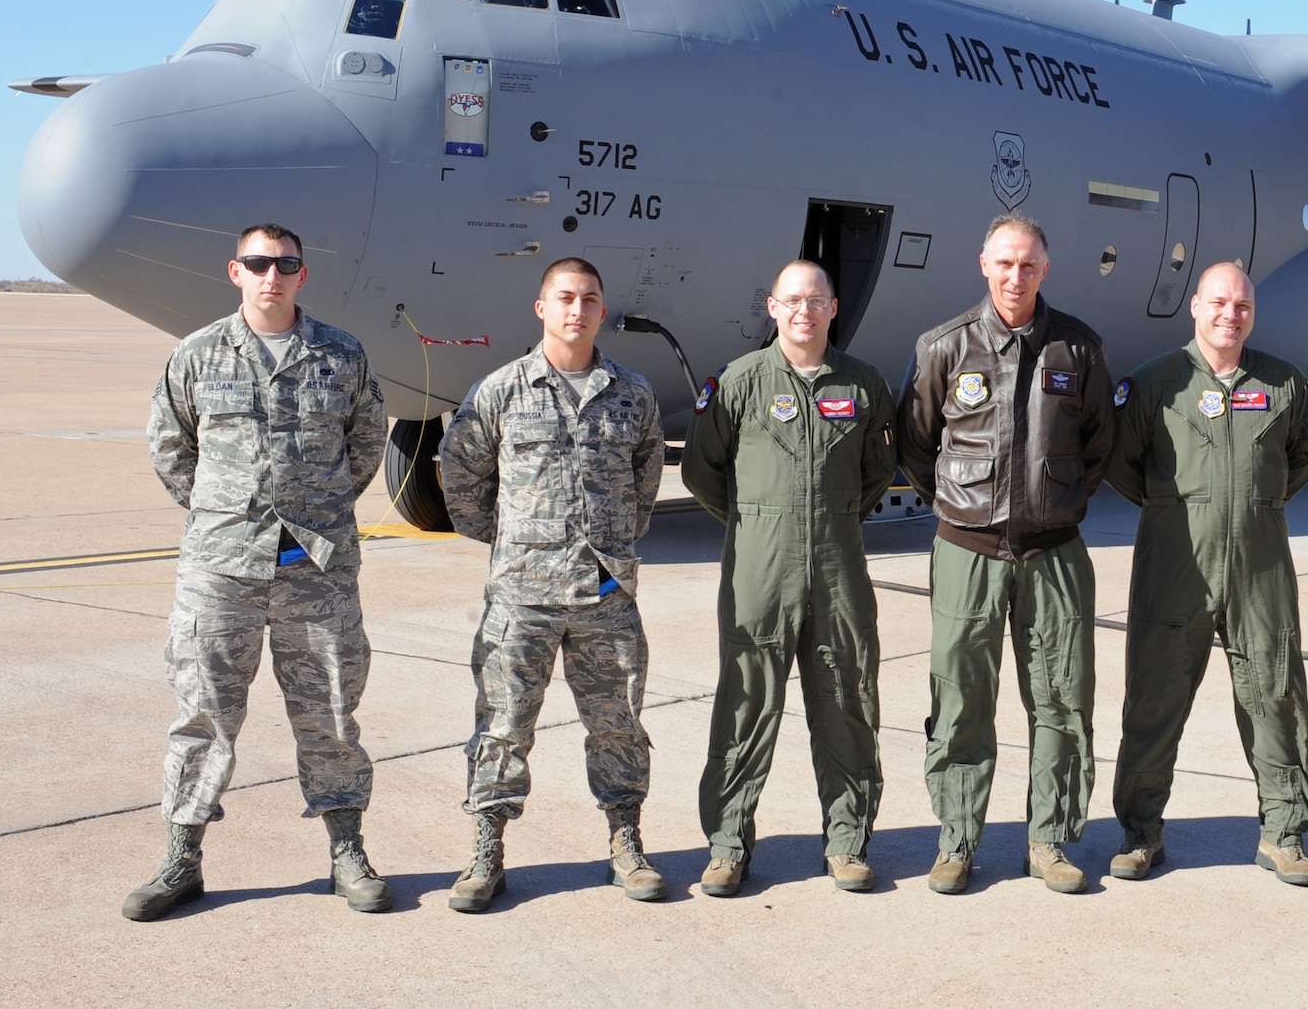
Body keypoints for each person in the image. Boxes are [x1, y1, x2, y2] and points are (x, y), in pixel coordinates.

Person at [129, 223, 391, 921]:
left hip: (318, 567)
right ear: (234, 271)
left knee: (332, 714)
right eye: (257, 263)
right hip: (220, 569)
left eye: (285, 263)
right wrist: (225, 513)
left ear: (303, 273)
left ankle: (347, 851)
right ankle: (181, 858)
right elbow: (170, 444)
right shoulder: (198, 352)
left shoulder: (342, 354)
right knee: (203, 715)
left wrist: (314, 509)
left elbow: (364, 446)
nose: (271, 274)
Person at [438, 257, 667, 910]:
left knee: (619, 724)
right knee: (503, 727)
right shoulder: (502, 390)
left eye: (589, 298)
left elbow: (645, 476)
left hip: (604, 594)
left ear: (601, 309)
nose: (576, 308)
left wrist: (614, 541)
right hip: (522, 596)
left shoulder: (633, 393)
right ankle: (487, 852)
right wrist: (513, 543)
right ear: (541, 307)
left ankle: (626, 842)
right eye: (564, 297)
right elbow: (461, 473)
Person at [898, 214, 1115, 894]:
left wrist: (1058, 499)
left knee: (1061, 701)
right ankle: (958, 839)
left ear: (1044, 269)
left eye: (1027, 264)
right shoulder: (944, 347)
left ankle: (1049, 839)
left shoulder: (1077, 348)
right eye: (1004, 263)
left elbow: (1100, 443)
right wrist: (964, 506)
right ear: (983, 265)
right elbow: (915, 444)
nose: (1015, 275)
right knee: (961, 699)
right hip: (967, 552)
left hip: (1054, 554)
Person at [1104, 262, 1308, 885]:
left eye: (1243, 306)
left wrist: (1258, 504)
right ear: (1195, 306)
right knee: (1155, 700)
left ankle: (1284, 834)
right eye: (1219, 303)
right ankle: (1141, 833)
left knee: (1276, 699)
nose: (1231, 315)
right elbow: (1123, 463)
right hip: (1174, 568)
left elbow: (1305, 454)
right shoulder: (1154, 383)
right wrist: (1178, 510)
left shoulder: (1283, 385)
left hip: (1260, 571)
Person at [681, 261, 898, 895]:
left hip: (838, 568)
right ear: (771, 307)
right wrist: (758, 522)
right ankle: (727, 843)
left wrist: (825, 521)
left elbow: (877, 472)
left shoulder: (863, 385)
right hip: (760, 568)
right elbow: (703, 470)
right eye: (792, 299)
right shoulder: (739, 383)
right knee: (746, 704)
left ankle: (849, 840)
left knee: (847, 701)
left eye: (817, 299)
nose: (805, 310)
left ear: (835, 309)